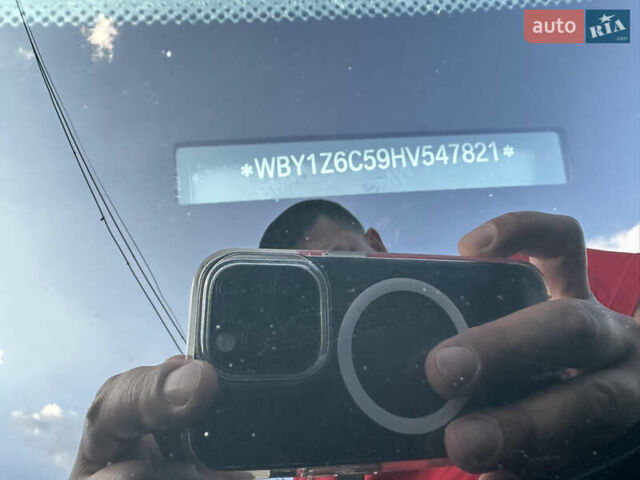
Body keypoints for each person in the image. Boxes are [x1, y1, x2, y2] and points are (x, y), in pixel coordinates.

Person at [69, 200, 640, 480]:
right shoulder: (295, 464)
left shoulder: (545, 297)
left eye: (341, 267)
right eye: (292, 316)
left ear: (377, 245)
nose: (340, 325)